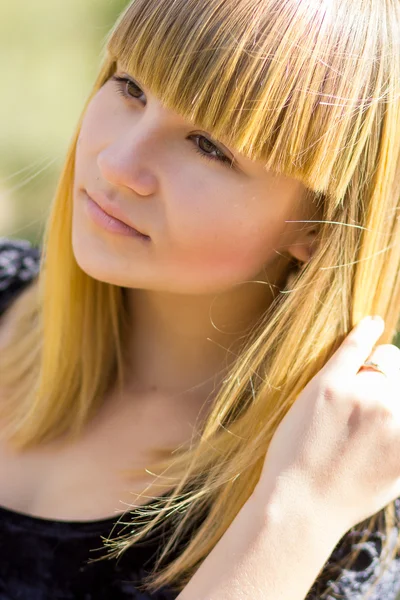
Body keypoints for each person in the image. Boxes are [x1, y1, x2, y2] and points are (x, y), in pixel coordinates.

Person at [0, 0, 399, 598]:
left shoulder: (345, 507)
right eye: (130, 85)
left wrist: (295, 513)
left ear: (320, 226)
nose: (118, 163)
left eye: (209, 146)